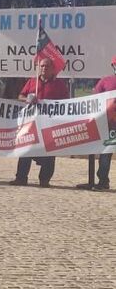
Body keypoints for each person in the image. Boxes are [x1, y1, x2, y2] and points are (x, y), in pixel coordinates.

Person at [10, 57, 70, 188]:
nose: (44, 68)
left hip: (50, 123)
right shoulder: (32, 82)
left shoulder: (59, 84)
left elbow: (66, 102)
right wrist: (27, 99)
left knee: (49, 152)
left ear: (52, 69)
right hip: (32, 123)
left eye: (47, 66)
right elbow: (20, 96)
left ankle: (44, 180)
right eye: (42, 66)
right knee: (25, 149)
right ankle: (21, 178)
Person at [78, 56, 116, 191]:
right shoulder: (105, 81)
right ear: (113, 66)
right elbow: (93, 98)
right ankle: (103, 181)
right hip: (108, 124)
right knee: (105, 152)